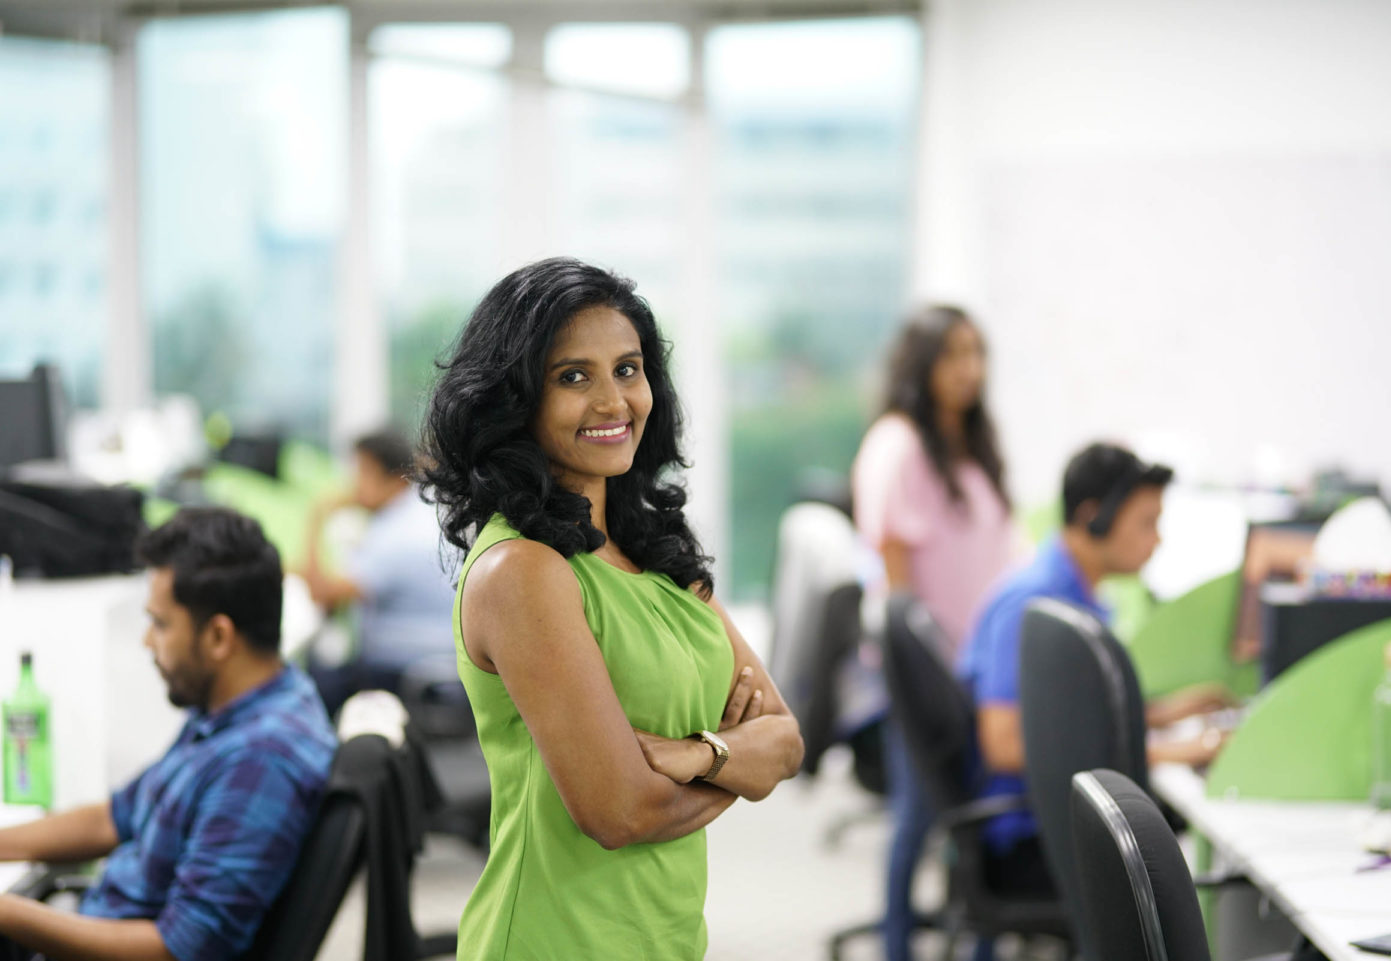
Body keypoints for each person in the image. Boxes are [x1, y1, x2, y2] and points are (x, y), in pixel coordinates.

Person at [422, 257, 804, 959]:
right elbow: (620, 811)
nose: (613, 401)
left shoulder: (654, 548)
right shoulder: (523, 572)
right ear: (516, 400)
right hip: (554, 938)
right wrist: (735, 766)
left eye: (628, 369)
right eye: (574, 377)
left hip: (664, 935)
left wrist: (691, 755)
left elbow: (784, 740)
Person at [0, 507, 337, 961]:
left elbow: (175, 952)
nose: (146, 642)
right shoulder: (234, 709)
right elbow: (113, 817)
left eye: (160, 624)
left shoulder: (259, 759)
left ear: (218, 637)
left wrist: (7, 913)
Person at [962, 443, 1228, 894]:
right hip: (1030, 840)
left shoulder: (1076, 595)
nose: (1157, 539)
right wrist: (1168, 751)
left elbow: (1068, 714)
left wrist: (1165, 713)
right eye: (1147, 523)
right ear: (1092, 517)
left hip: (1059, 820)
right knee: (1192, 876)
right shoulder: (1033, 605)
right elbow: (1004, 745)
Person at [851, 305, 1018, 961]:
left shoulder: (972, 444)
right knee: (917, 823)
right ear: (921, 364)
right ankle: (896, 948)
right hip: (928, 678)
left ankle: (979, 946)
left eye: (976, 353)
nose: (968, 369)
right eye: (952, 354)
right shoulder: (900, 443)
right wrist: (931, 675)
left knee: (973, 826)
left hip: (976, 670)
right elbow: (897, 591)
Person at [302, 428, 456, 716]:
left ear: (381, 471)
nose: (351, 485)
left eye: (359, 471)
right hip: (440, 657)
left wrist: (317, 516)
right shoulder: (419, 511)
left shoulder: (396, 533)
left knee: (312, 677)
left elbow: (322, 594)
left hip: (406, 667)